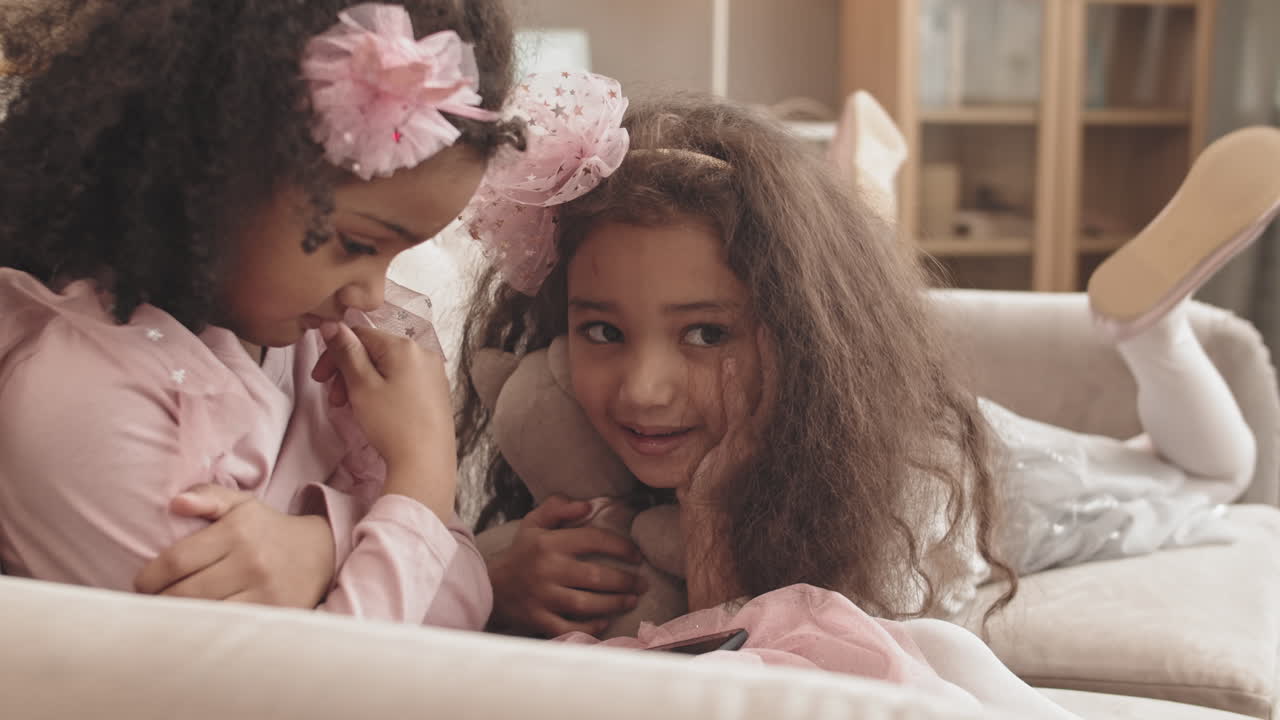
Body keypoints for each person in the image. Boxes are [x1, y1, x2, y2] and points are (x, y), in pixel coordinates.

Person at [455, 94, 1277, 716]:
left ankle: (1147, 332)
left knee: (1209, 475)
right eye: (601, 330)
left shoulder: (896, 497)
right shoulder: (560, 409)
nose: (642, 388)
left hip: (1005, 472)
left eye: (706, 334)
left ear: (799, 338)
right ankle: (863, 186)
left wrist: (711, 515)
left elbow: (771, 665)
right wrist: (498, 577)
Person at [0, 0, 520, 629]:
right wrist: (419, 482)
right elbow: (327, 692)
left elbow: (464, 602)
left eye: (398, 253)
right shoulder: (77, 400)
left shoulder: (313, 345)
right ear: (209, 171)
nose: (372, 297)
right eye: (357, 245)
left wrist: (324, 546)